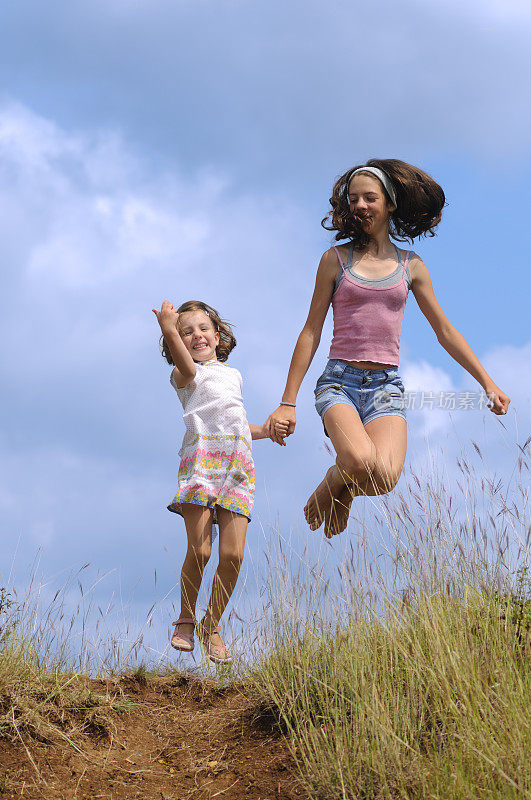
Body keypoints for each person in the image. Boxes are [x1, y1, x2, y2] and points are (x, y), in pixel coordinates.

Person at [267, 159, 510, 539]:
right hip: (340, 382)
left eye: (369, 197)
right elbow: (311, 330)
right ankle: (341, 473)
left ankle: (341, 483)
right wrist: (288, 401)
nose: (360, 205)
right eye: (354, 199)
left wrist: (487, 383)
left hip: (386, 387)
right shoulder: (335, 260)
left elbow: (444, 330)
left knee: (384, 479)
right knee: (361, 459)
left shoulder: (411, 266)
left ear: (390, 204)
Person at [153, 299, 288, 664]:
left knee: (233, 554)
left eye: (202, 328)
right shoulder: (183, 375)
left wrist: (267, 430)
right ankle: (185, 617)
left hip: (238, 467)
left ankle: (211, 625)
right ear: (176, 342)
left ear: (217, 334)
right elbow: (185, 364)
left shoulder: (234, 374)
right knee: (200, 551)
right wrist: (167, 327)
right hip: (201, 465)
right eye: (185, 332)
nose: (195, 336)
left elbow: (239, 425)